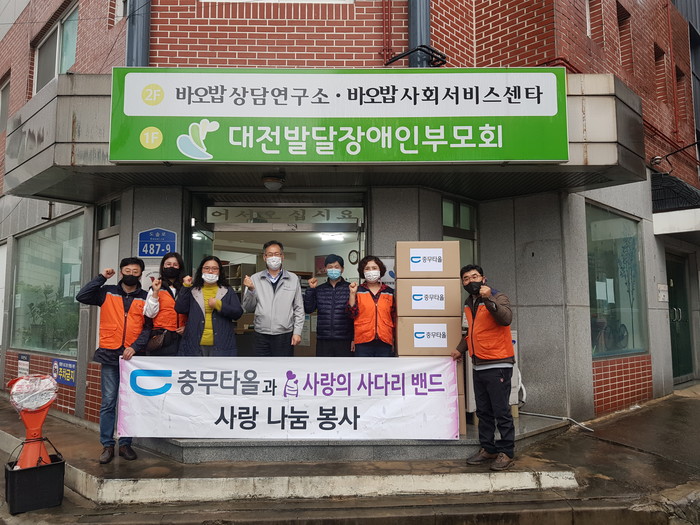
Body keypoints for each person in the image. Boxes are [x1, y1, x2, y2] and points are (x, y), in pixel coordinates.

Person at [76, 257, 150, 465]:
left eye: (135, 271)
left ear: (140, 275)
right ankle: (107, 445)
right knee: (109, 401)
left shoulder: (146, 297)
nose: (131, 274)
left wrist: (135, 346)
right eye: (127, 270)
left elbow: (148, 327)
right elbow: (82, 296)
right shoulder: (106, 291)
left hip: (133, 358)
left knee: (130, 402)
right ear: (120, 272)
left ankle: (125, 444)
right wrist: (101, 277)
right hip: (109, 354)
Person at [451, 264, 516, 471]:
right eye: (466, 279)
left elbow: (506, 319)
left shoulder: (498, 296)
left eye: (474, 276)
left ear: (483, 278)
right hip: (478, 365)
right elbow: (470, 332)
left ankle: (506, 452)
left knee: (501, 411)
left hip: (498, 362)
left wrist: (489, 299)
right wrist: (459, 350)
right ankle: (488, 448)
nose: (471, 281)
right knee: (483, 411)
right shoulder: (468, 302)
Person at [242, 240, 304, 357]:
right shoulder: (255, 278)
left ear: (282, 256)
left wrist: (297, 332)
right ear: (264, 257)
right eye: (270, 254)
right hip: (261, 334)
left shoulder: (293, 278)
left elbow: (299, 308)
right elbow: (248, 308)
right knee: (261, 366)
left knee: (283, 367)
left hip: (285, 334)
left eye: (276, 254)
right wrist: (251, 290)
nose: (273, 258)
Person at [175, 255, 243, 356]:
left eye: (214, 269)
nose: (210, 271)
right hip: (194, 344)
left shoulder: (227, 290)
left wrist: (219, 305)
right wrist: (185, 287)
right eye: (206, 268)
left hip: (222, 344)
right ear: (201, 270)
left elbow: (238, 313)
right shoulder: (193, 290)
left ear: (219, 271)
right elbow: (180, 308)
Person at [303, 254, 353, 357]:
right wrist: (311, 290)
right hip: (323, 339)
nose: (333, 269)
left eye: (336, 267)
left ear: (342, 269)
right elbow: (308, 309)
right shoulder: (319, 289)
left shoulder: (350, 289)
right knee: (324, 366)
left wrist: (354, 338)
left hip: (345, 339)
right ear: (325, 269)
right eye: (330, 267)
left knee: (345, 367)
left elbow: (356, 315)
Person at [347, 255, 395, 357]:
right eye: (367, 268)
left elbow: (394, 317)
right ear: (362, 271)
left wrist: (394, 339)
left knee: (384, 367)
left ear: (380, 270)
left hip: (385, 341)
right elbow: (351, 315)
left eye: (374, 268)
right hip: (363, 341)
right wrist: (352, 294)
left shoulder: (389, 292)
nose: (371, 271)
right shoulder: (357, 290)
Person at [143, 252, 187, 356]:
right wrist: (155, 292)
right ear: (163, 266)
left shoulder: (186, 287)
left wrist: (187, 327)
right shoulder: (156, 287)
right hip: (162, 338)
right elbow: (149, 314)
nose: (171, 267)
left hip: (183, 338)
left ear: (180, 267)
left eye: (175, 265)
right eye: (168, 264)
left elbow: (193, 312)